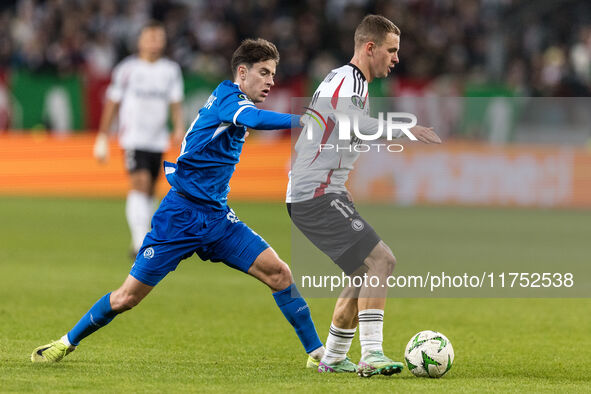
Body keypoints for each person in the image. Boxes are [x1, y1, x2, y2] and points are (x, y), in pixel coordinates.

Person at [32, 38, 325, 366]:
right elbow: (255, 121)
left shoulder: (235, 100)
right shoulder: (230, 99)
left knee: (279, 273)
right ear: (242, 72)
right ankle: (65, 342)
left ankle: (318, 354)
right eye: (264, 73)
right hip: (179, 216)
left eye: (274, 74)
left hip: (217, 218)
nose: (271, 81)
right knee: (127, 297)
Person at [287, 15, 441, 377]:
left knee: (361, 272)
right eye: (392, 50)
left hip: (320, 192)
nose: (396, 58)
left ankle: (334, 356)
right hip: (316, 193)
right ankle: (371, 354)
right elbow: (353, 125)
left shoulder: (351, 84)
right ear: (370, 48)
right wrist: (408, 129)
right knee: (382, 261)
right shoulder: (347, 80)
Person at [93, 20, 185, 256]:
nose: (155, 42)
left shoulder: (171, 70)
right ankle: (139, 243)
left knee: (151, 189)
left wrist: (178, 128)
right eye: (150, 37)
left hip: (157, 139)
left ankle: (145, 237)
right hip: (133, 138)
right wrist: (102, 136)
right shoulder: (127, 69)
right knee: (140, 183)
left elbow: (176, 104)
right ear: (140, 41)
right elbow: (112, 102)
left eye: (159, 38)